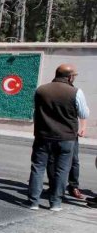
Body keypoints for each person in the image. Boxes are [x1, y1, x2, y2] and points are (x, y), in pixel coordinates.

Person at [27, 64, 88, 211]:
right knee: (62, 170)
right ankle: (55, 203)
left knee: (38, 167)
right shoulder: (76, 92)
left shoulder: (41, 90)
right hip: (66, 137)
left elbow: (35, 109)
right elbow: (84, 114)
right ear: (69, 77)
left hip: (43, 135)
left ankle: (33, 202)